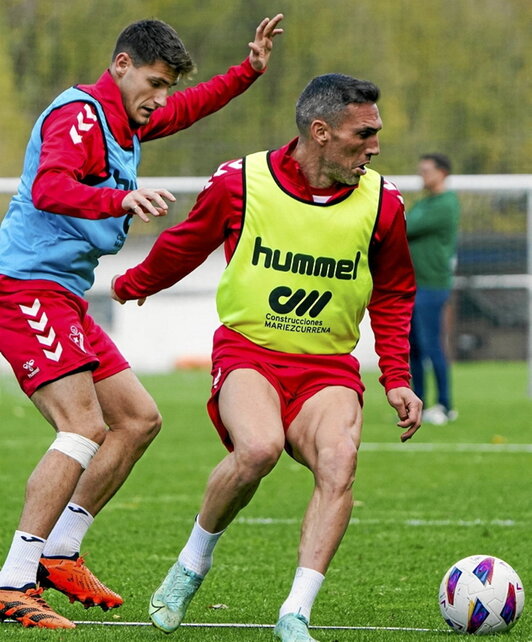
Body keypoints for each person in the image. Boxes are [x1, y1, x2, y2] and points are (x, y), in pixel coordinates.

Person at [112, 73, 422, 641]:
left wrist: (397, 377)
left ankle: (295, 614)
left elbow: (396, 289)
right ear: (321, 132)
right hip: (249, 352)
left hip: (328, 367)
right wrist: (135, 283)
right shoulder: (243, 181)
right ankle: (191, 565)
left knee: (339, 462)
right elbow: (187, 242)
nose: (375, 146)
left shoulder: (385, 202)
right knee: (258, 449)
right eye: (364, 133)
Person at [0, 14, 283, 630]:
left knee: (137, 420)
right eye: (153, 83)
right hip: (25, 288)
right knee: (82, 428)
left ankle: (59, 551)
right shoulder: (79, 115)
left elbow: (189, 107)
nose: (160, 99)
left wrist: (247, 72)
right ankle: (12, 580)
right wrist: (119, 199)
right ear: (121, 65)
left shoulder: (129, 120)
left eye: (166, 86)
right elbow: (49, 187)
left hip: (63, 294)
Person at [406, 153, 460, 426]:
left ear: (442, 172)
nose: (422, 176)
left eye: (426, 170)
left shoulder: (445, 204)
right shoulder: (424, 203)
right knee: (414, 347)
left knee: (432, 345)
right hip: (414, 285)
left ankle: (446, 404)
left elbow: (406, 226)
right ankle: (419, 403)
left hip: (432, 284)